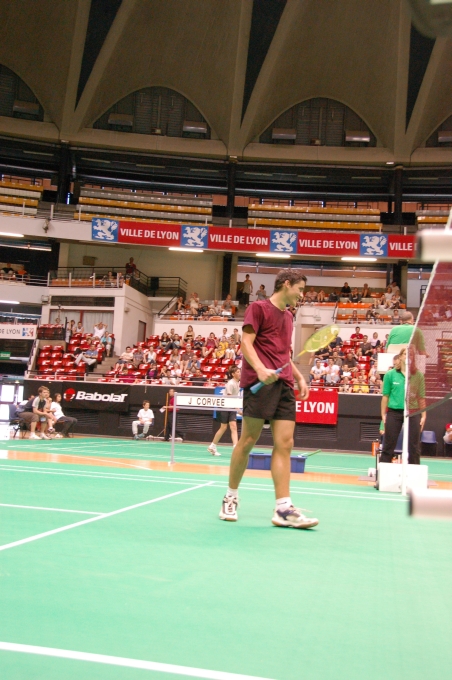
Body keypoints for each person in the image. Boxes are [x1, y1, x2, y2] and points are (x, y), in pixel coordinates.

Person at [219, 268, 318, 529]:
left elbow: (284, 353)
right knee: (247, 441)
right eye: (300, 289)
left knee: (285, 443)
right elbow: (246, 344)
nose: (302, 295)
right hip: (259, 383)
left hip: (283, 383)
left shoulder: (289, 316)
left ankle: (283, 508)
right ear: (286, 284)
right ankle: (230, 497)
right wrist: (260, 369)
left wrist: (299, 377)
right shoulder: (258, 308)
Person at [379, 347, 426, 467]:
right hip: (394, 412)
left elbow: (421, 397)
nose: (408, 356)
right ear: (400, 357)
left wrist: (423, 415)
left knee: (414, 446)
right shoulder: (390, 375)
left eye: (411, 354)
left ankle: (414, 474)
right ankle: (383, 473)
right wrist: (383, 414)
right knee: (388, 445)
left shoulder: (418, 375)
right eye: (405, 354)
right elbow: (385, 396)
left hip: (413, 412)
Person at [207, 366, 242, 456]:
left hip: (232, 407)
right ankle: (212, 446)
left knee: (233, 427)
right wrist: (238, 409)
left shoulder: (238, 383)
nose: (240, 373)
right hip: (224, 406)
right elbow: (229, 398)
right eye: (238, 372)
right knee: (223, 427)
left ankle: (236, 448)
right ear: (233, 374)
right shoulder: (230, 383)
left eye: (240, 371)